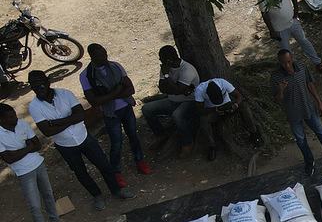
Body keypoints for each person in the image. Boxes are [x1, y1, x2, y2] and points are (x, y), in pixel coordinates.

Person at [27, 70, 134, 212]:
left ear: (48, 82)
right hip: (65, 145)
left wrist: (56, 122)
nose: (38, 87)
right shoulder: (34, 106)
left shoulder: (65, 94)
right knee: (81, 173)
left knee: (104, 165)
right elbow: (47, 131)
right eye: (34, 85)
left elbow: (81, 116)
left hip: (84, 137)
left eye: (40, 83)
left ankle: (116, 190)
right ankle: (97, 196)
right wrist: (70, 120)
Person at [0, 103, 77, 222]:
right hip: (23, 172)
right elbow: (9, 159)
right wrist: (28, 147)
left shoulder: (22, 124)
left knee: (48, 195)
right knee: (35, 205)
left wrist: (21, 151)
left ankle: (56, 221)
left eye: (14, 114)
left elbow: (38, 145)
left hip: (38, 164)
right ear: (1, 120)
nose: (15, 118)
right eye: (10, 117)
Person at [79, 43, 152, 186]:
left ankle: (140, 161)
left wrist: (108, 96)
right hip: (110, 113)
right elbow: (93, 101)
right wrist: (117, 91)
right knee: (116, 142)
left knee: (133, 136)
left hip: (126, 108)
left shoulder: (116, 66)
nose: (105, 57)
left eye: (105, 53)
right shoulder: (86, 76)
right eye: (100, 56)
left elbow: (130, 89)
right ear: (92, 57)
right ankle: (116, 171)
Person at [271, 49, 322, 177]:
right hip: (293, 113)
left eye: (288, 62)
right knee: (301, 140)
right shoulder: (276, 77)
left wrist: (319, 101)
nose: (286, 65)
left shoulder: (302, 67)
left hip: (308, 107)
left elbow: (310, 84)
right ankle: (309, 162)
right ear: (279, 63)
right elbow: (276, 99)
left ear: (292, 58)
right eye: (283, 63)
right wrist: (280, 90)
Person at [141, 45, 200, 155]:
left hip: (189, 101)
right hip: (172, 100)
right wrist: (174, 88)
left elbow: (178, 90)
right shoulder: (165, 68)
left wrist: (168, 77)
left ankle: (188, 142)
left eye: (161, 58)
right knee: (147, 109)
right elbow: (163, 88)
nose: (159, 60)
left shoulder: (187, 69)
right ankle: (160, 135)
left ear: (168, 60)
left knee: (177, 115)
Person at [260, 0, 322, 74]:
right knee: (286, 50)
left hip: (293, 22)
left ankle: (317, 62)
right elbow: (264, 13)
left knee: (304, 41)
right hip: (279, 28)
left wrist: (296, 11)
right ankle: (293, 72)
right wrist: (271, 30)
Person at [193, 78, 263, 160]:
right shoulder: (199, 90)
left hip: (228, 105)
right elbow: (200, 110)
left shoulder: (223, 83)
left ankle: (254, 133)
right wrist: (215, 109)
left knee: (244, 106)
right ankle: (212, 146)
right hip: (213, 111)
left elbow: (239, 96)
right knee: (204, 120)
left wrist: (235, 105)